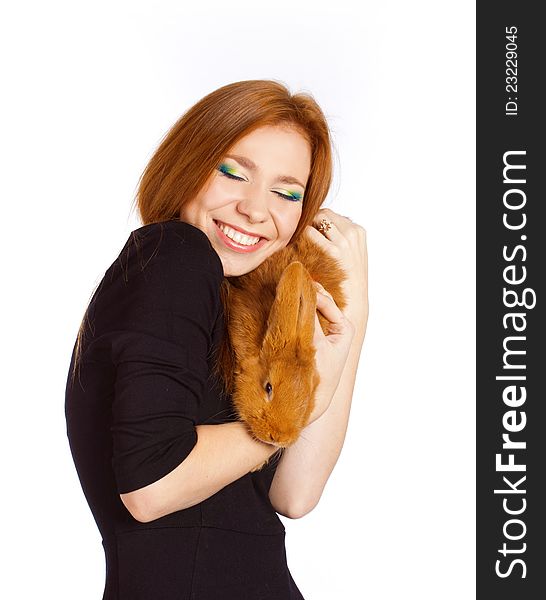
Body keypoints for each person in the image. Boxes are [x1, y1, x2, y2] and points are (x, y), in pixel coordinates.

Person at [65, 79, 368, 599]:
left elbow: (294, 494)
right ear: (187, 166)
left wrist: (352, 319)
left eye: (286, 192)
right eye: (233, 172)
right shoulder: (175, 254)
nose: (255, 209)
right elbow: (151, 487)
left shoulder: (229, 302)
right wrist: (296, 409)